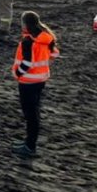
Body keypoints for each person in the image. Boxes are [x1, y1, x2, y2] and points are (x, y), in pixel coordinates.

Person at [11, 11, 60, 158]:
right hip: (40, 80)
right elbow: (55, 53)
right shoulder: (45, 38)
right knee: (34, 112)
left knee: (30, 115)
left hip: (28, 81)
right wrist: (44, 65)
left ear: (26, 24)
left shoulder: (28, 41)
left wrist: (17, 74)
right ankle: (29, 142)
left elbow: (26, 63)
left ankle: (29, 146)